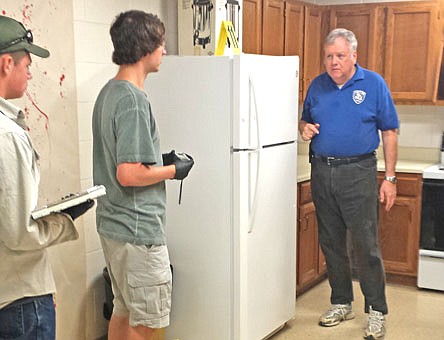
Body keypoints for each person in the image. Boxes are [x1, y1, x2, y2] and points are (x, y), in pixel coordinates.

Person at [92, 10, 194, 340]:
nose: (164, 50)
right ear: (145, 47)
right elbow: (128, 173)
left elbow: (123, 160)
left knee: (123, 311)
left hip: (114, 226)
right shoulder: (133, 101)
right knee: (146, 322)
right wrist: (173, 170)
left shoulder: (109, 93)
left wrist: (156, 160)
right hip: (138, 232)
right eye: (161, 44)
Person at [299, 28, 399, 340]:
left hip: (359, 171)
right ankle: (342, 302)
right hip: (322, 171)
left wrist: (391, 178)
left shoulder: (373, 84)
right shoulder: (317, 86)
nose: (333, 61)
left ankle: (376, 310)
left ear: (354, 55)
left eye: (340, 55)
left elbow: (390, 131)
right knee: (331, 242)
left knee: (365, 245)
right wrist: (303, 129)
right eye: (328, 56)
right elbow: (304, 121)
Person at [0, 15, 94, 340]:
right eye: (26, 62)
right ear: (6, 63)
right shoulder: (7, 135)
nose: (30, 71)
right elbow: (20, 233)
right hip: (20, 301)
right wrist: (65, 218)